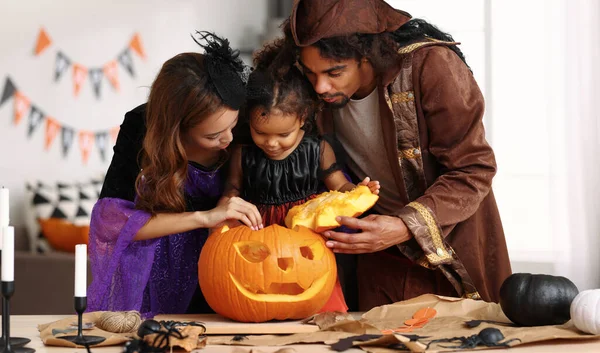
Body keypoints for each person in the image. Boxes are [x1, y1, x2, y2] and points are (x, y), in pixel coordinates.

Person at [274, 0, 512, 310]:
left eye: (335, 72)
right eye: (310, 73)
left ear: (367, 55)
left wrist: (404, 226)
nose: (320, 86)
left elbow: (474, 169)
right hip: (374, 254)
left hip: (449, 245)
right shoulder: (308, 88)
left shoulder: (431, 66)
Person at [87, 32, 263, 318]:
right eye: (213, 135)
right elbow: (112, 223)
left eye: (233, 125)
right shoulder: (140, 127)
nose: (229, 139)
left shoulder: (246, 124)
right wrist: (204, 217)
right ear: (176, 130)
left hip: (226, 265)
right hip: (154, 274)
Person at [221, 46, 380, 312]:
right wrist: (226, 205)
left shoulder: (317, 150)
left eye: (283, 135)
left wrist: (358, 191)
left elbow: (339, 186)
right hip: (259, 233)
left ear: (303, 118)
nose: (271, 143)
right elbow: (233, 189)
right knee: (259, 290)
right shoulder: (243, 153)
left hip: (306, 236)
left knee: (316, 293)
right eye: (260, 133)